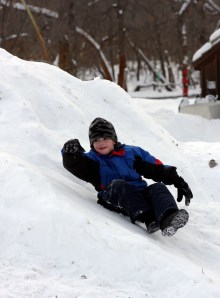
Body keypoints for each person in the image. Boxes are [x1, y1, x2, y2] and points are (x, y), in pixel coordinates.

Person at [62, 117, 193, 237]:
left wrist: (178, 181)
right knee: (119, 185)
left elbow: (155, 168)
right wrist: (70, 153)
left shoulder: (130, 153)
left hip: (139, 194)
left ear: (113, 140)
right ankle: (149, 219)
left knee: (158, 188)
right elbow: (77, 165)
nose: (101, 143)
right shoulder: (92, 160)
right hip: (113, 196)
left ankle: (168, 218)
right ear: (91, 143)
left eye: (105, 138)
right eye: (96, 140)